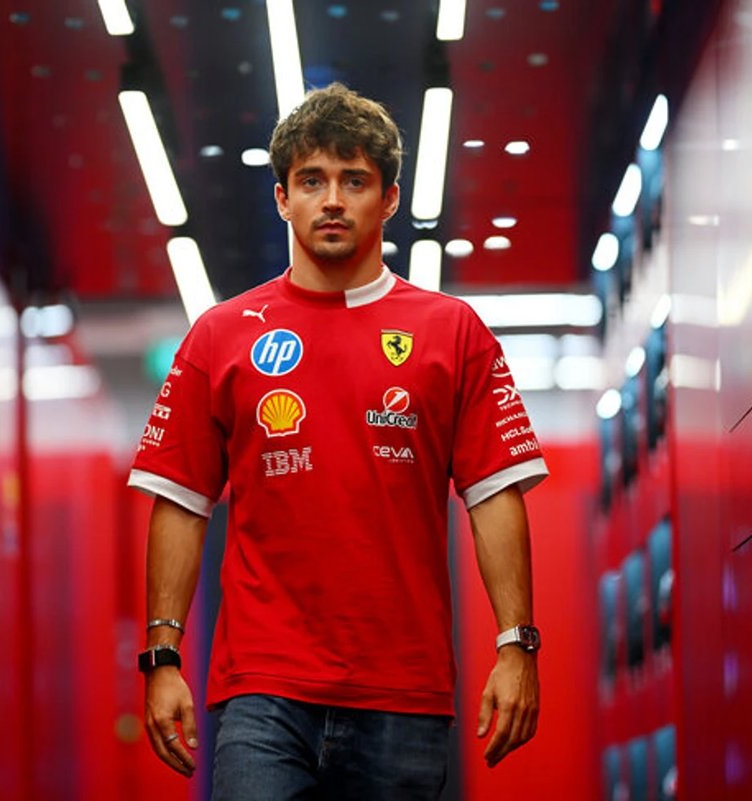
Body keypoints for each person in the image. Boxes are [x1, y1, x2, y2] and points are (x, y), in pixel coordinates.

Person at [128, 83, 548, 800]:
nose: (331, 200)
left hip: (402, 689)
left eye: (354, 180)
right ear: (282, 198)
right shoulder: (220, 336)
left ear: (388, 199)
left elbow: (494, 496)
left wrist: (518, 644)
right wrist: (162, 657)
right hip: (262, 685)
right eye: (311, 180)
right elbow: (181, 503)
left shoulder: (453, 332)